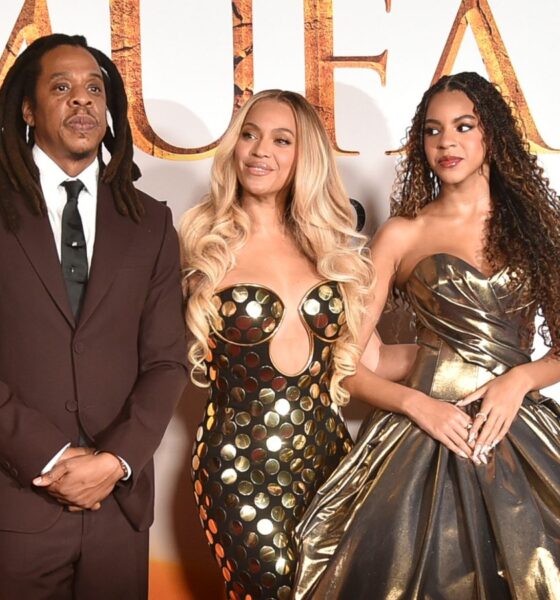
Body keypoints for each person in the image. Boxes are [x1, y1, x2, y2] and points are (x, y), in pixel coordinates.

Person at [293, 72, 560, 599]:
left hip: (517, 428)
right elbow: (342, 367)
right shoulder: (403, 233)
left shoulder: (537, 228)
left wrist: (519, 380)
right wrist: (420, 406)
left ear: (493, 136)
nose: (447, 142)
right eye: (433, 131)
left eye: (464, 126)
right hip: (421, 435)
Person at [0, 34, 187, 599]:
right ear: (28, 110)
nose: (81, 101)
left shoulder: (150, 222)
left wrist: (115, 461)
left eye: (94, 89)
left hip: (117, 509)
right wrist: (53, 457)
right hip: (17, 501)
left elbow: (167, 362)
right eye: (61, 87)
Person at [180, 89, 375, 600]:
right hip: (239, 468)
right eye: (249, 134)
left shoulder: (328, 248)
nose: (259, 150)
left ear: (303, 155)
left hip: (332, 461)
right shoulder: (202, 243)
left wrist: (469, 367)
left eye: (280, 140)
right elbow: (143, 352)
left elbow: (372, 362)